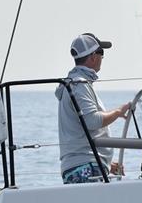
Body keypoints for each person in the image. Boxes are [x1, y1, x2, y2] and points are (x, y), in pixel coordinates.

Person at [55, 33, 131, 184]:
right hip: (86, 167)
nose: (103, 58)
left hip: (83, 165)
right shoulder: (79, 84)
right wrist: (118, 112)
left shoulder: (73, 83)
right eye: (101, 53)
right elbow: (92, 121)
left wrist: (107, 164)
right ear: (93, 57)